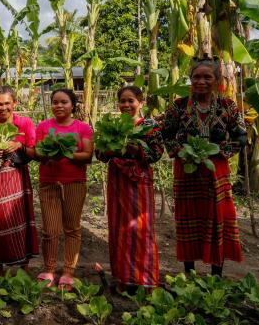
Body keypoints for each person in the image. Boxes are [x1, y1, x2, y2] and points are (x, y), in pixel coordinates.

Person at [159, 58, 246, 277]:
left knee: (217, 217)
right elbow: (166, 133)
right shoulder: (179, 106)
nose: (201, 81)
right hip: (187, 170)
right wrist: (180, 152)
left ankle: (216, 274)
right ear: (190, 79)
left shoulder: (227, 106)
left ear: (217, 80)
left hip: (216, 170)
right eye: (196, 77)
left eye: (207, 77)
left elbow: (241, 135)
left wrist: (220, 151)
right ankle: (189, 274)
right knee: (189, 219)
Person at [97, 86, 163, 291]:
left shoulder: (149, 125)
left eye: (131, 100)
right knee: (119, 229)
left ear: (140, 103)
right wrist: (108, 151)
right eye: (122, 101)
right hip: (117, 181)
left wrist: (136, 150)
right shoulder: (113, 125)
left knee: (141, 229)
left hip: (139, 182)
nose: (126, 105)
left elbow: (157, 153)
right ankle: (124, 278)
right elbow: (99, 153)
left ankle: (145, 280)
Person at [0, 85, 39, 276]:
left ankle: (24, 270)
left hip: (17, 178)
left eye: (7, 103)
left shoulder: (24, 123)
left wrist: (19, 144)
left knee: (20, 220)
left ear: (14, 103)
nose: (3, 108)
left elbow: (34, 152)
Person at [34, 89, 94, 290]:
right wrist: (50, 153)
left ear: (73, 105)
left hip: (74, 183)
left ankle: (69, 271)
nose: (59, 106)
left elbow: (87, 155)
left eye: (64, 102)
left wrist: (66, 153)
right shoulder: (43, 126)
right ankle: (49, 269)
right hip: (48, 183)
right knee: (50, 230)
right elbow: (38, 153)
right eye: (55, 102)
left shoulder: (82, 128)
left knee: (72, 228)